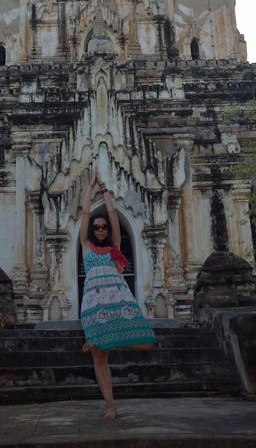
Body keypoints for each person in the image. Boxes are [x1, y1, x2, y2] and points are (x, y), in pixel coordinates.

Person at [79, 169, 156, 419]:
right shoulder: (86, 247)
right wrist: (89, 188)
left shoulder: (115, 249)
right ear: (92, 230)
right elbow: (85, 213)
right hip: (94, 305)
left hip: (118, 301)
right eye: (97, 227)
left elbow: (112, 214)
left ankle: (99, 341)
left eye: (103, 227)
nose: (101, 229)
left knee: (146, 343)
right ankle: (110, 406)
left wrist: (105, 189)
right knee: (100, 359)